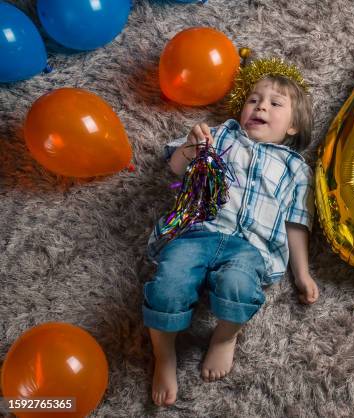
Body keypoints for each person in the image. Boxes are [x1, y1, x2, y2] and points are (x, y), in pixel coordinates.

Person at [142, 59, 319, 406]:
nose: (260, 106)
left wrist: (302, 273)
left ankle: (225, 338)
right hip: (197, 231)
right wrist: (191, 147)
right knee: (168, 284)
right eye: (253, 100)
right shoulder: (222, 134)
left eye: (274, 103)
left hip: (249, 247)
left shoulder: (295, 168)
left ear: (294, 126)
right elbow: (176, 166)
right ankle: (164, 354)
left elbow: (296, 222)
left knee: (240, 289)